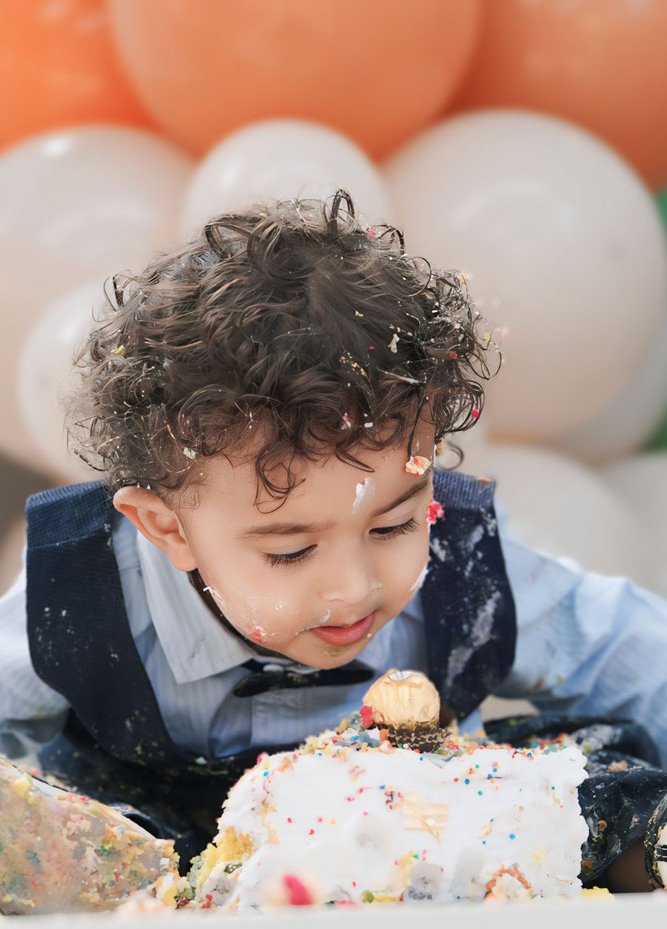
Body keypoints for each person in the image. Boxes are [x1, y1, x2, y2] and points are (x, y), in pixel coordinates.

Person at [1, 192, 666, 892]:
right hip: (167, 865)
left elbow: (625, 649)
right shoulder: (85, 589)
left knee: (597, 767)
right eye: (289, 552)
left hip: (414, 841)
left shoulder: (460, 558)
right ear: (168, 528)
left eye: (393, 526)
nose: (354, 589)